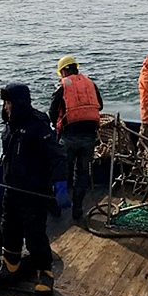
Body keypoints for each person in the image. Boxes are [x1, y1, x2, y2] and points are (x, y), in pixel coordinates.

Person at [0, 82, 69, 296]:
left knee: (34, 236)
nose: (6, 107)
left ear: (19, 102)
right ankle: (9, 267)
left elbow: (58, 157)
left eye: (9, 102)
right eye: (5, 103)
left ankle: (45, 274)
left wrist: (60, 184)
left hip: (32, 195)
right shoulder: (9, 126)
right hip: (11, 191)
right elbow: (7, 155)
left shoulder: (37, 126)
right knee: (9, 230)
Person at [48, 55, 103, 221]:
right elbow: (100, 105)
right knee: (82, 173)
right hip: (89, 136)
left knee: (61, 170)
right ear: (76, 68)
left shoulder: (62, 85)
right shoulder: (90, 83)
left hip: (69, 136)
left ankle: (56, 207)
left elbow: (52, 111)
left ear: (63, 71)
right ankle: (77, 208)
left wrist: (57, 125)